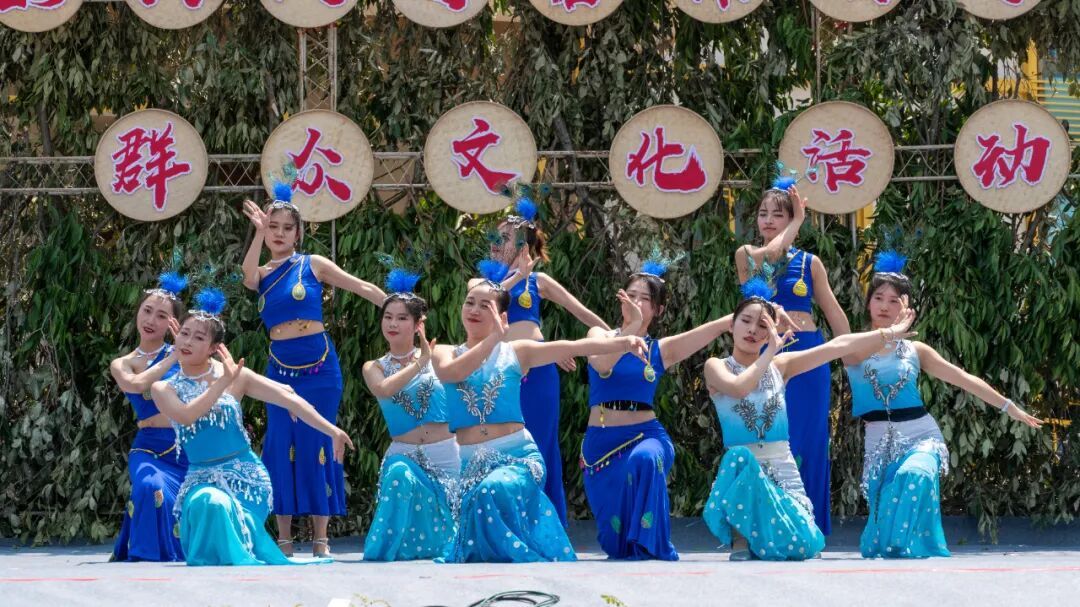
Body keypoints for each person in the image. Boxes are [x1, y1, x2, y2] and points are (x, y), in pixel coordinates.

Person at [432, 259, 648, 563]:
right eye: (470, 303)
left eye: (485, 305)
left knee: (492, 489)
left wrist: (625, 339)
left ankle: (521, 555)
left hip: (517, 459)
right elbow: (453, 373)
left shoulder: (517, 352)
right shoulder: (444, 352)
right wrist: (494, 337)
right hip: (470, 467)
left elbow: (573, 347)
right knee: (480, 522)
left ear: (502, 316)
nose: (475, 310)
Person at [841, 251, 1043, 558]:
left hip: (920, 435)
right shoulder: (852, 346)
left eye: (894, 300)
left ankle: (912, 548)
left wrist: (1008, 406)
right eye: (878, 298)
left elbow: (963, 378)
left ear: (906, 307)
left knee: (915, 475)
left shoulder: (915, 350)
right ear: (868, 302)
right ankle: (896, 555)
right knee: (885, 516)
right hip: (878, 441)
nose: (884, 306)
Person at [703, 278, 915, 560]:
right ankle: (741, 537)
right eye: (746, 321)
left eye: (763, 325)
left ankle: (764, 535)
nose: (753, 330)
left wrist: (889, 333)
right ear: (731, 325)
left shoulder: (780, 365)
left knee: (806, 546)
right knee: (739, 457)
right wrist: (770, 352)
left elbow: (839, 346)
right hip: (744, 466)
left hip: (782, 468)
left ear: (771, 333)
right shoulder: (716, 366)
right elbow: (740, 388)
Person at [150, 287, 354, 566]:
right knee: (211, 502)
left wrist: (333, 431)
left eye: (199, 337)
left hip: (246, 480)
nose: (187, 342)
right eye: (184, 333)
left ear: (213, 348)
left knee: (222, 507)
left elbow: (290, 398)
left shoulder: (237, 376)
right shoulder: (163, 388)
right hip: (200, 480)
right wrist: (223, 383)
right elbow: (187, 416)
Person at [241, 183, 385, 556]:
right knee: (280, 443)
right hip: (280, 370)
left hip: (321, 370)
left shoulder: (312, 264)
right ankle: (285, 538)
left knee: (319, 442)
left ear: (299, 233)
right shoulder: (262, 273)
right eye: (273, 227)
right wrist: (257, 233)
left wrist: (395, 305)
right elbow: (247, 277)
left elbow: (359, 286)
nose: (279, 233)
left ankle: (321, 538)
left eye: (287, 228)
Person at [581, 253, 733, 561]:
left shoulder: (658, 350)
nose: (636, 302)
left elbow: (711, 329)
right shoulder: (599, 336)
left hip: (645, 436)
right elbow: (602, 365)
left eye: (645, 299)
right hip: (601, 445)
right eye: (631, 295)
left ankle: (652, 546)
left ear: (658, 309)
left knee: (646, 459)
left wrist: (742, 317)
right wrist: (632, 329)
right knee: (615, 544)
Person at [488, 192, 610, 526]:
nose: (496, 244)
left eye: (504, 238)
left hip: (538, 372)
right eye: (495, 238)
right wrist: (515, 275)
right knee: (502, 441)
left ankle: (543, 522)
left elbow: (581, 312)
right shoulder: (484, 284)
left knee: (540, 440)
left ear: (523, 246)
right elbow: (488, 305)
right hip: (500, 372)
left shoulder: (538, 281)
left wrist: (618, 337)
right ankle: (506, 519)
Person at [735, 177, 849, 534]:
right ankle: (771, 526)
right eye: (763, 213)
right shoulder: (747, 255)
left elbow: (833, 312)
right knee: (769, 437)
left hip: (808, 353)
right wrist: (799, 220)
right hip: (766, 355)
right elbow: (772, 255)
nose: (768, 220)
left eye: (778, 215)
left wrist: (853, 354)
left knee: (808, 438)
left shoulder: (810, 263)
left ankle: (809, 526)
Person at [362, 264, 458, 561]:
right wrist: (419, 363)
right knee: (399, 475)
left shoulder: (440, 354)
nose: (393, 323)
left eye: (402, 318)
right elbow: (384, 390)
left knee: (451, 531)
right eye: (388, 317)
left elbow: (485, 356)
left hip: (446, 454)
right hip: (403, 454)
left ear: (418, 324)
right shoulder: (373, 367)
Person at [109, 272, 189, 562]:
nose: (151, 320)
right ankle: (147, 554)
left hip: (184, 448)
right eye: (147, 310)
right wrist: (173, 357)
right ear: (137, 312)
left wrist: (185, 352)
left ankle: (176, 552)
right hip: (149, 448)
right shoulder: (123, 363)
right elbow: (136, 385)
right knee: (150, 486)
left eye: (161, 315)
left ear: (172, 324)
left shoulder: (187, 355)